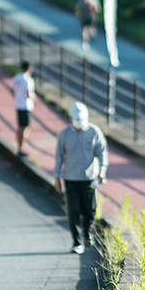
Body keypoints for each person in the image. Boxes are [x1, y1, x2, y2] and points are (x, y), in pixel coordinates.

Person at [54, 102, 108, 255]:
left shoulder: (94, 131)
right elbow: (59, 156)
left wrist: (102, 170)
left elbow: (102, 152)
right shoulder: (64, 134)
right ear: (70, 118)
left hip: (89, 179)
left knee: (90, 211)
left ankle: (87, 234)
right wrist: (56, 177)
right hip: (71, 179)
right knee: (74, 210)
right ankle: (77, 242)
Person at [10, 61, 35, 156]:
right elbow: (29, 93)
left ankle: (19, 147)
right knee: (25, 128)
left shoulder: (16, 78)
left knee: (20, 127)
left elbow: (12, 90)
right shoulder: (28, 80)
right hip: (26, 106)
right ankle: (22, 148)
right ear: (29, 68)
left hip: (18, 105)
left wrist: (16, 97)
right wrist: (33, 98)